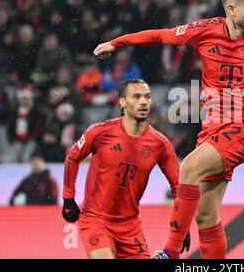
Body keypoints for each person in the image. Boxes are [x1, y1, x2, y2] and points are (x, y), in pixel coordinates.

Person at [93, 0, 244, 259]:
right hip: (212, 129)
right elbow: (161, 36)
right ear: (231, 9)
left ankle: (170, 253)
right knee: (206, 216)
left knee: (189, 167)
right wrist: (116, 42)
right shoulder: (205, 30)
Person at [61, 79, 189, 259]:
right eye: (136, 97)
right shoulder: (100, 132)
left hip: (130, 227)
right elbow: (72, 157)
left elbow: (179, 186)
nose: (143, 102)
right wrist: (68, 198)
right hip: (96, 220)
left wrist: (181, 226)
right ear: (122, 102)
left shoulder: (160, 144)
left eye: (147, 97)